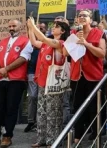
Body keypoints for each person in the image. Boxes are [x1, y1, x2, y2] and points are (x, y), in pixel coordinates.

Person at [0, 19, 33, 148]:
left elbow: (23, 58)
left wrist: (7, 69)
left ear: (20, 27)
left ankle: (7, 136)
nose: (11, 28)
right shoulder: (2, 41)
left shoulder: (25, 41)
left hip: (16, 80)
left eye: (14, 26)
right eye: (10, 26)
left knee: (11, 108)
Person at [63, 9, 106, 145]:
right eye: (79, 15)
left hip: (93, 76)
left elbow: (102, 53)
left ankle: (96, 132)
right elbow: (64, 53)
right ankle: (78, 135)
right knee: (77, 106)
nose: (81, 17)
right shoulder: (73, 34)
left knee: (95, 106)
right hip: (77, 76)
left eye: (85, 15)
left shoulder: (99, 33)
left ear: (91, 20)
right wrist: (74, 41)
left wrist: (86, 44)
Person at [28, 17, 70, 147]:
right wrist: (30, 28)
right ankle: (41, 139)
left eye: (56, 26)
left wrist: (34, 26)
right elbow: (34, 42)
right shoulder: (47, 43)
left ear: (62, 31)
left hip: (53, 84)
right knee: (41, 112)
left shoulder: (61, 43)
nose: (53, 27)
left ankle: (53, 140)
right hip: (42, 82)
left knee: (53, 112)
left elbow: (43, 39)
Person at [24, 23, 44, 133]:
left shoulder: (45, 42)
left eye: (41, 29)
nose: (39, 30)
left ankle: (39, 122)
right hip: (32, 73)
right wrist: (31, 28)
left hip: (43, 74)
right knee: (32, 97)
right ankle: (31, 121)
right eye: (38, 28)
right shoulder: (29, 43)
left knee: (41, 98)